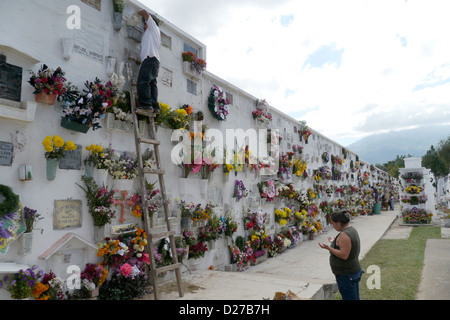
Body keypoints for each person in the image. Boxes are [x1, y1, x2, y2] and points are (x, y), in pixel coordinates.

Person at [319, 211, 363, 300]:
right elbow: (346, 245)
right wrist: (334, 242)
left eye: (333, 224)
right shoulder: (351, 230)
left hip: (346, 275)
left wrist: (329, 248)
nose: (333, 226)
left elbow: (344, 255)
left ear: (339, 223)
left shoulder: (344, 234)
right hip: (351, 273)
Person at [136, 10, 161, 113]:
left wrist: (139, 13)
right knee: (152, 84)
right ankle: (155, 106)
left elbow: (146, 13)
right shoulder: (150, 34)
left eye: (145, 24)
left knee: (142, 81)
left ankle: (146, 104)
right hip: (152, 61)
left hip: (150, 59)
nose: (144, 26)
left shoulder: (153, 28)